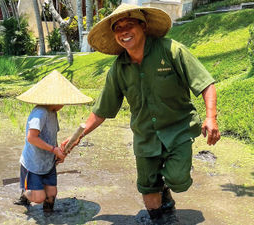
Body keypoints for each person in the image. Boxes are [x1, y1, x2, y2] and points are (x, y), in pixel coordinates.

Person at [61, 3, 221, 221]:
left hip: (178, 131)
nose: (124, 31)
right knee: (148, 191)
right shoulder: (118, 69)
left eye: (130, 24)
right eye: (118, 28)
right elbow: (102, 111)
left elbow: (205, 84)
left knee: (178, 180)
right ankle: (160, 215)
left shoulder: (171, 50)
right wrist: (76, 137)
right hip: (145, 138)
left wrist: (211, 118)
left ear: (143, 26)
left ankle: (166, 187)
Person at [13, 70, 92, 213]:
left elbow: (51, 137)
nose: (64, 105)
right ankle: (25, 194)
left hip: (48, 162)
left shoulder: (52, 113)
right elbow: (31, 137)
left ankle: (49, 217)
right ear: (55, 99)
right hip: (33, 164)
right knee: (38, 198)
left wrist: (58, 152)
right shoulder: (40, 113)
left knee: (51, 195)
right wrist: (53, 150)